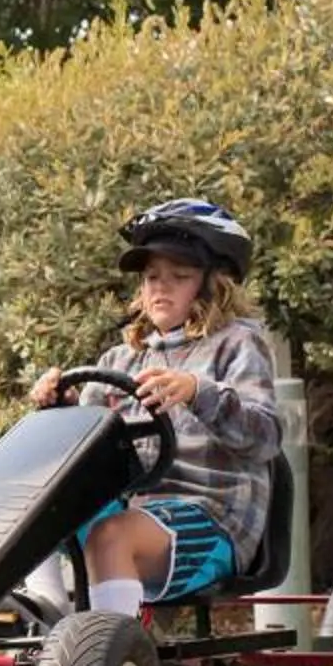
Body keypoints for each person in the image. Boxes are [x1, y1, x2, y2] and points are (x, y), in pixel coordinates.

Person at [28, 197, 283, 620]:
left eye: (179, 275)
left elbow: (266, 438)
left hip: (213, 516)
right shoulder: (120, 360)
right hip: (138, 512)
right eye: (151, 277)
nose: (160, 287)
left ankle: (114, 662)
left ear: (213, 284)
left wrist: (197, 391)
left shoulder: (237, 343)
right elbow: (87, 449)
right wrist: (61, 406)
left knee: (112, 535)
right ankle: (50, 610)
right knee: (39, 504)